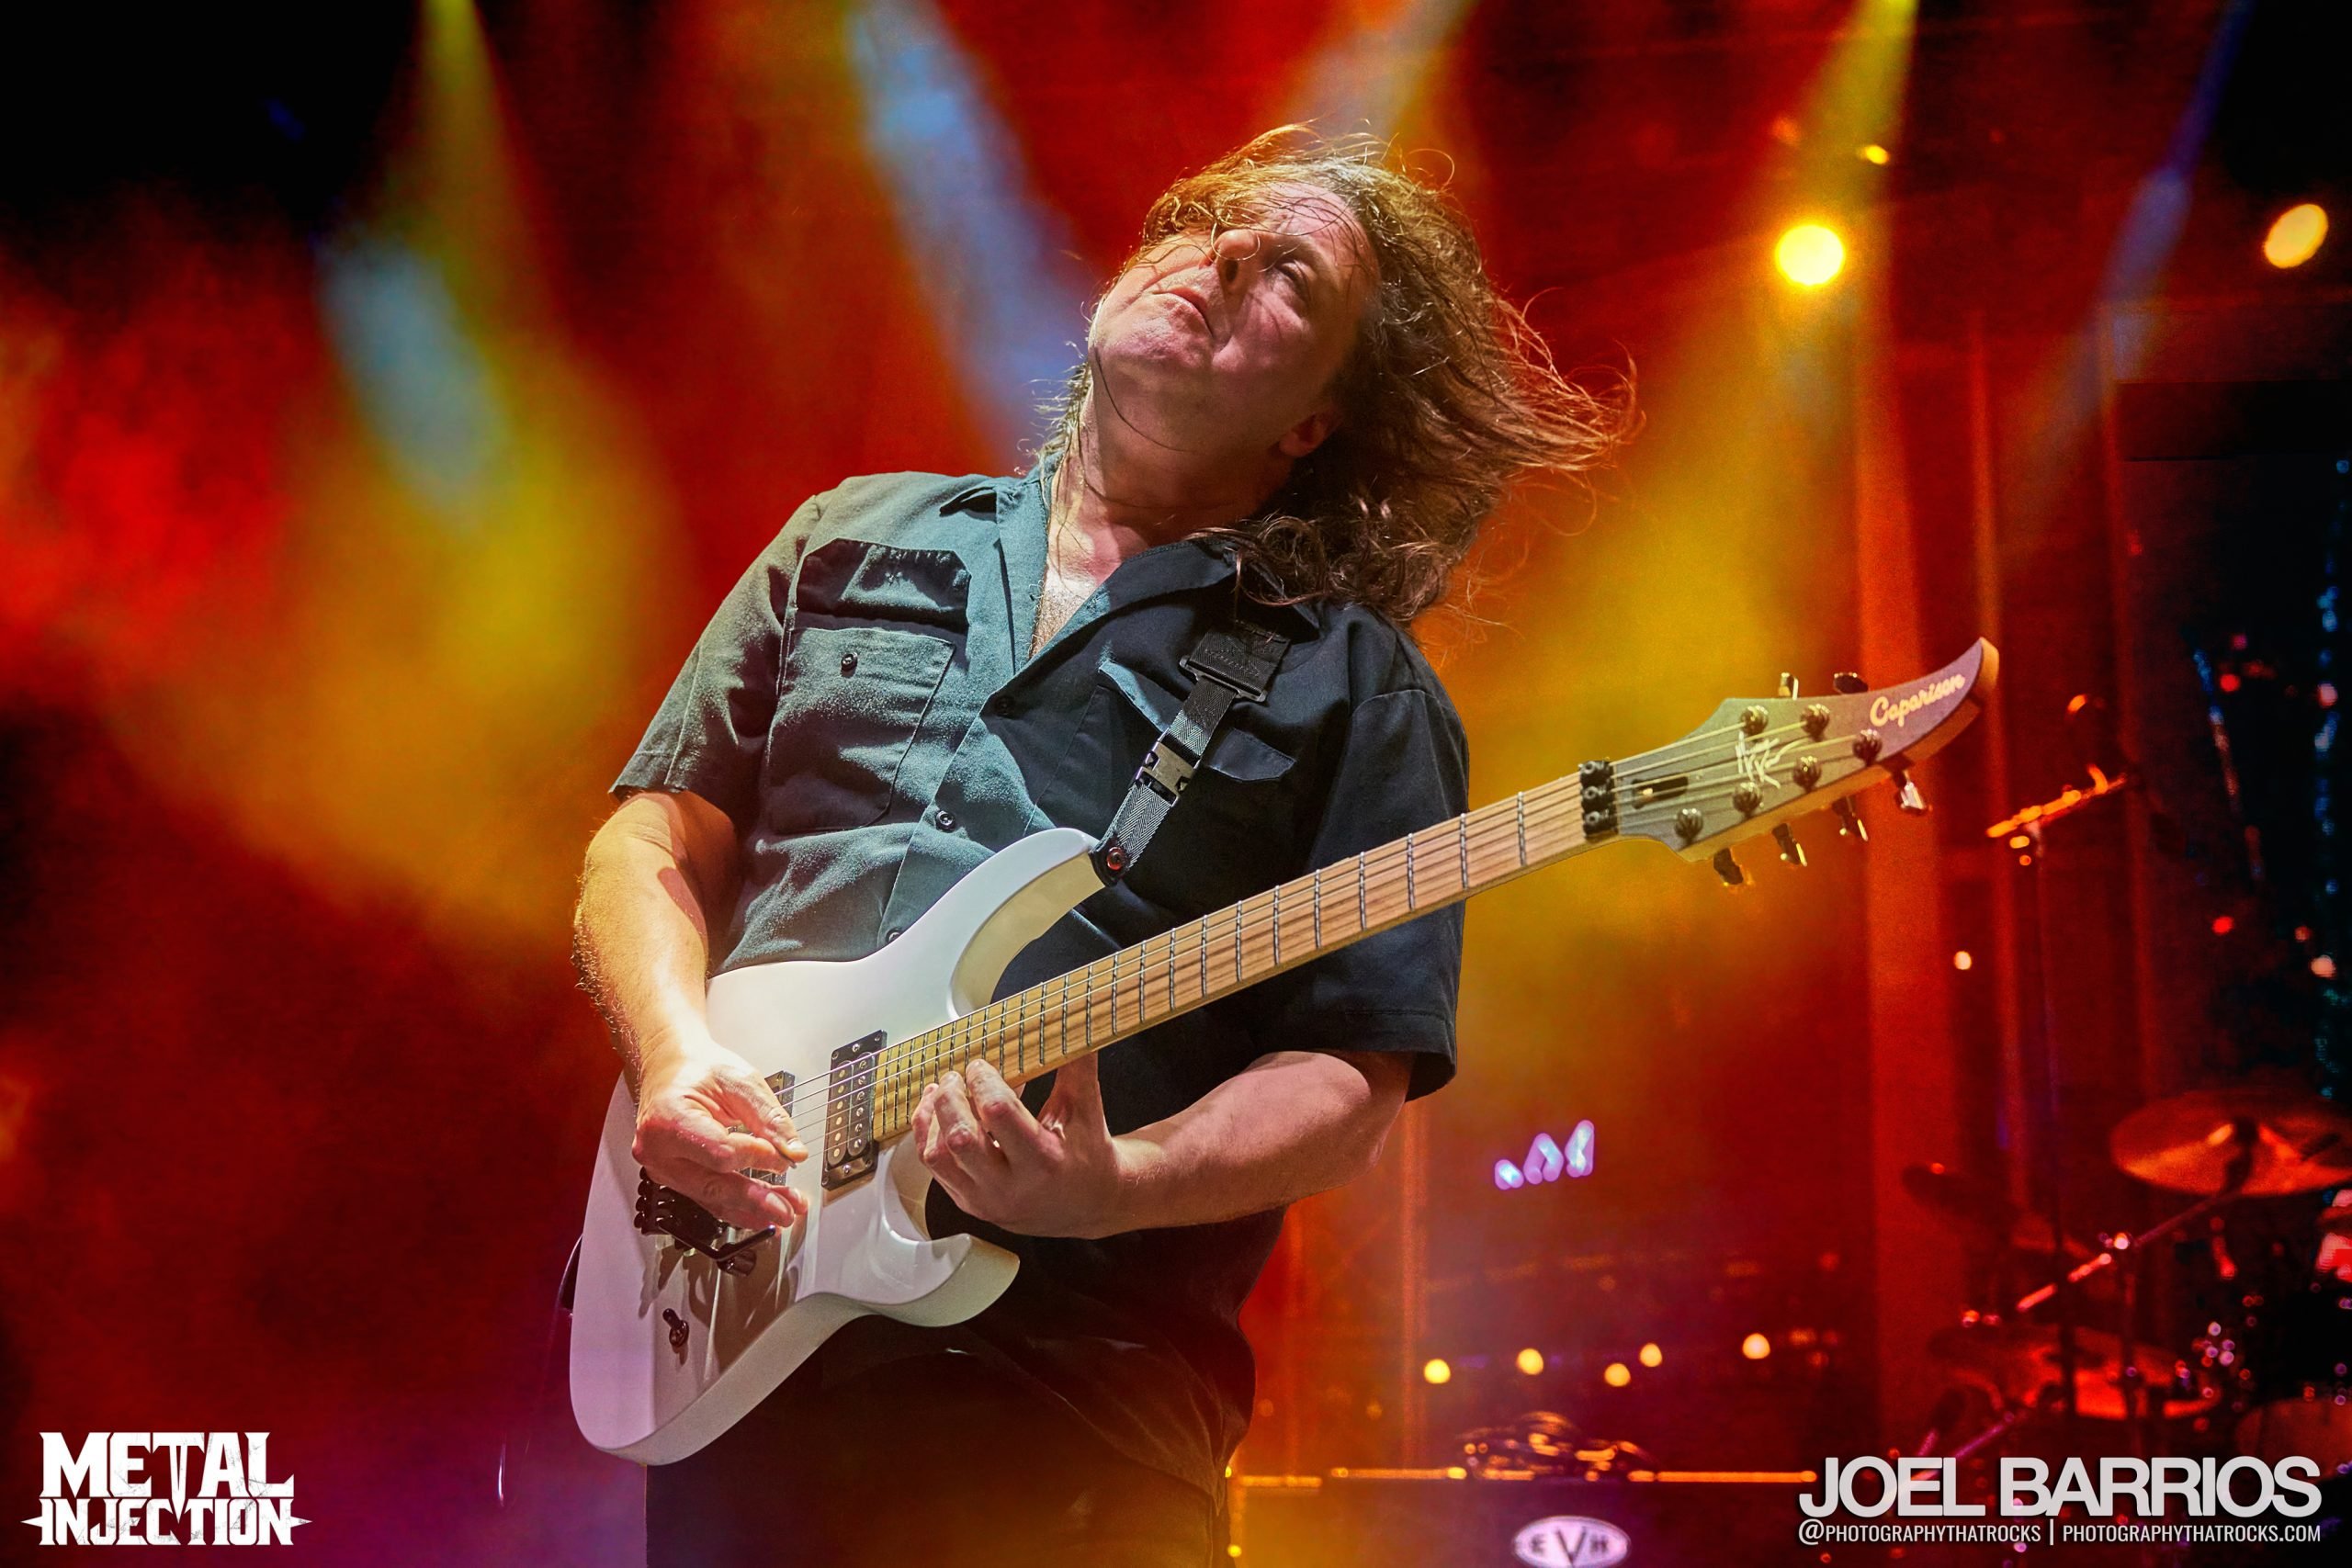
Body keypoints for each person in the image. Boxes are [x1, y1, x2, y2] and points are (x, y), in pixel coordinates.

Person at [571, 126, 1630, 1568]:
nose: (1223, 259)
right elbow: (652, 841)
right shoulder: (851, 536)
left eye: (1290, 280)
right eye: (1207, 224)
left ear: (1312, 422)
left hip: (1071, 1404)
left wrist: (1118, 1185)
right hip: (737, 1349)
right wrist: (677, 1057)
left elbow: (1347, 1074)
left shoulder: (1353, 684)